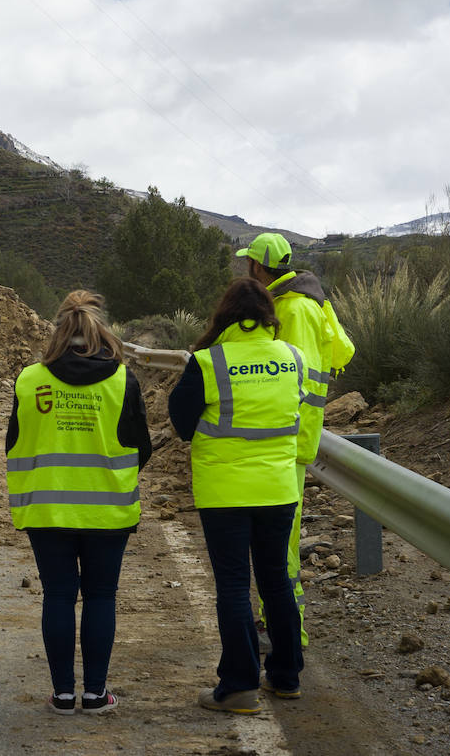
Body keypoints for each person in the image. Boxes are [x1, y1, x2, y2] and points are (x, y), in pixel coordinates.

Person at [6, 290, 154, 716]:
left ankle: (61, 695)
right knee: (101, 595)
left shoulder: (30, 379)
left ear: (58, 328)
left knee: (57, 595)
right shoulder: (123, 380)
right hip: (107, 510)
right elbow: (141, 447)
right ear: (99, 328)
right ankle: (95, 694)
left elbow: (12, 442)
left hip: (47, 509)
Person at [167, 277, 306, 714]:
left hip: (224, 491)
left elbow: (181, 424)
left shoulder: (209, 362)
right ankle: (285, 677)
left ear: (224, 315)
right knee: (276, 581)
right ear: (268, 315)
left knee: (232, 584)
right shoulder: (293, 358)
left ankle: (240, 685)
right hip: (279, 487)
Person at [238, 232, 354, 650]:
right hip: (291, 437)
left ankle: (289, 630)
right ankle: (279, 622)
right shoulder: (303, 300)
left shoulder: (294, 308)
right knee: (276, 540)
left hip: (288, 439)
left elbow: (295, 379)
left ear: (256, 266)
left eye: (246, 263)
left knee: (281, 544)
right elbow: (342, 352)